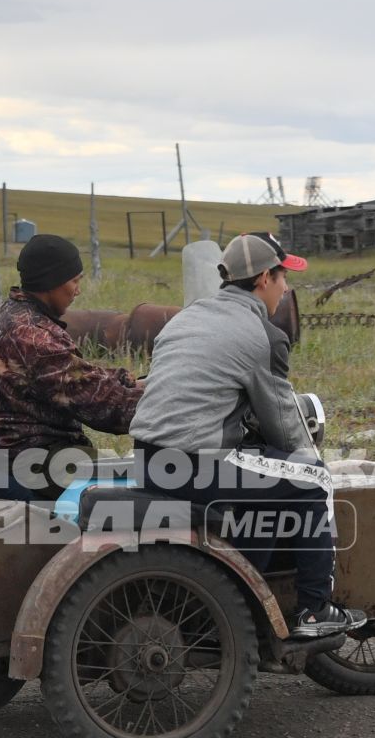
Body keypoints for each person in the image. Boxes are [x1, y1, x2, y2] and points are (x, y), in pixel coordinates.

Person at [127, 231, 363, 639]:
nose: (286, 288)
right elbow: (285, 423)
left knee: (267, 479)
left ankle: (242, 605)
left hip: (149, 461)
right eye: (282, 277)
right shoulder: (262, 336)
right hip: (196, 465)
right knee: (311, 480)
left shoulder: (185, 319)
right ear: (262, 280)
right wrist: (313, 460)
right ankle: (313, 610)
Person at [0, 233, 142, 499]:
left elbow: (77, 376)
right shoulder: (33, 336)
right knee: (138, 485)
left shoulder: (12, 312)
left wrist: (129, 381)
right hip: (35, 458)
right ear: (50, 282)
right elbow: (102, 407)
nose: (78, 290)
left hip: (15, 449)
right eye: (74, 281)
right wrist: (165, 404)